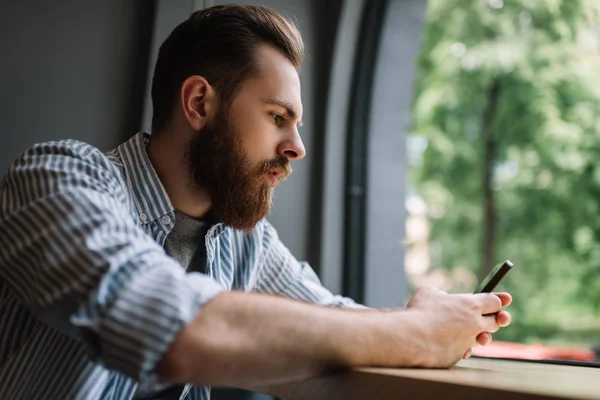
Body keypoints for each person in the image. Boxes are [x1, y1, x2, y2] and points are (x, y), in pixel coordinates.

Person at [0, 5, 511, 400]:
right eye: (276, 117)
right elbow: (177, 330)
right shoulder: (58, 179)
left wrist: (443, 322)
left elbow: (332, 321)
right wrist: (416, 332)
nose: (298, 147)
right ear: (200, 103)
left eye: (297, 125)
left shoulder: (244, 242)